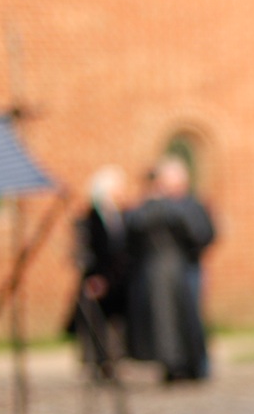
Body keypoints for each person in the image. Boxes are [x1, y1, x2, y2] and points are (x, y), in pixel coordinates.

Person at [126, 157, 215, 382]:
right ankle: (174, 363)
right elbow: (133, 231)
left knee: (190, 318)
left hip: (188, 267)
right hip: (164, 271)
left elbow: (203, 233)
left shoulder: (190, 205)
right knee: (166, 319)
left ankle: (197, 364)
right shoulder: (153, 207)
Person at [65, 165, 132, 377]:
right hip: (96, 277)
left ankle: (114, 360)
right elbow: (83, 249)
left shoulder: (122, 217)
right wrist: (94, 275)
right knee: (95, 322)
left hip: (117, 280)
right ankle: (96, 361)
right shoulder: (89, 218)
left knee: (116, 324)